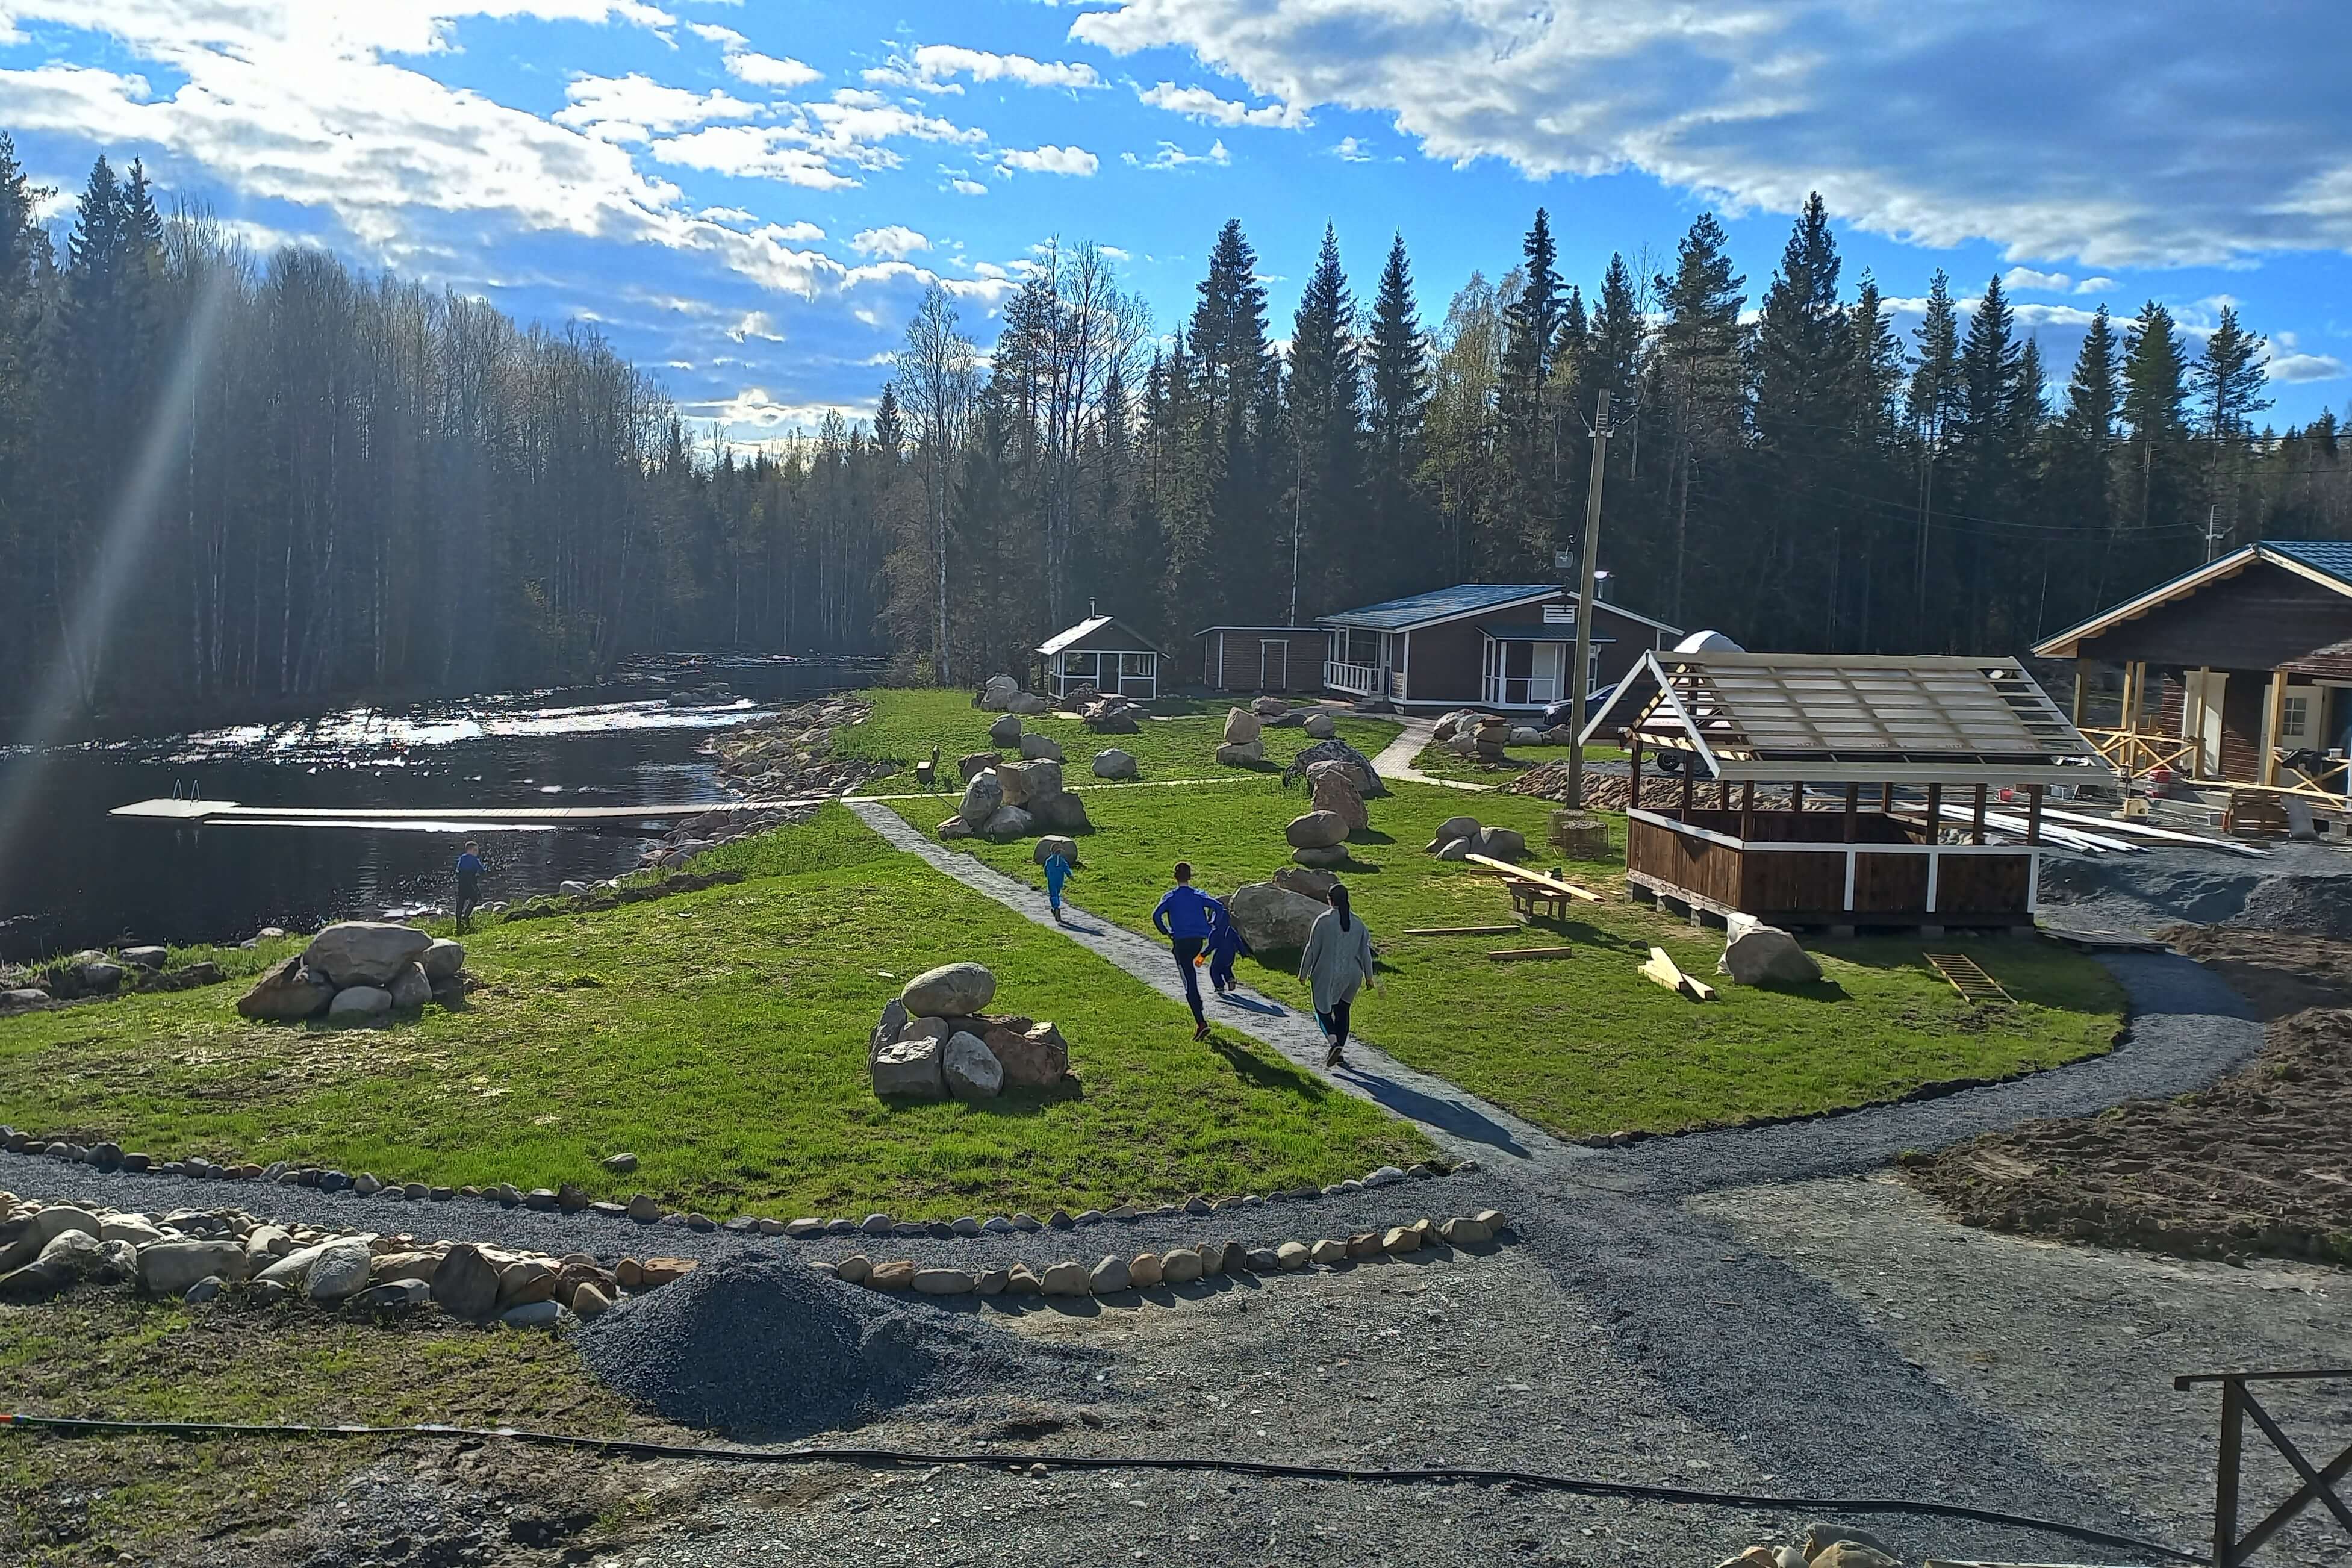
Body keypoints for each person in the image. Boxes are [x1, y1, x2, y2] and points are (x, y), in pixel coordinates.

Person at [1298, 882, 1375, 1068]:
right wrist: (1369, 976)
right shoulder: (1358, 923)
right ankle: (1339, 1052)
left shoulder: (1323, 921)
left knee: (1322, 1011)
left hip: (1327, 973)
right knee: (1343, 1011)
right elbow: (1365, 952)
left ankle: (1334, 1044)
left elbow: (1312, 948)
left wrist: (1303, 973)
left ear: (1329, 900)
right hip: (1353, 975)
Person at [1151, 862, 1222, 1041]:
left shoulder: (1170, 897)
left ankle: (1201, 1022)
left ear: (1175, 877)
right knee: (1191, 974)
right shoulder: (1199, 895)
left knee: (1189, 980)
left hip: (1181, 942)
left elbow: (1156, 916)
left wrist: (1166, 931)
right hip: (1197, 941)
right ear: (1190, 877)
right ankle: (1199, 1007)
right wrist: (1212, 924)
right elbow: (1218, 907)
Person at [1204, 897, 1252, 996]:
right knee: (1227, 968)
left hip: (1220, 954)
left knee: (1214, 970)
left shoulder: (1215, 932)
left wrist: (1203, 955)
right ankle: (1230, 979)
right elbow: (1238, 942)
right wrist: (1243, 953)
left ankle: (1219, 986)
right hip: (1231, 954)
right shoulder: (1231, 930)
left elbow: (1211, 946)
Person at [454, 841, 486, 934]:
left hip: (462, 884)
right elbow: (482, 871)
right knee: (475, 899)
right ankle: (466, 916)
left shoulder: (462, 859)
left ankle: (459, 922)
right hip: (471, 883)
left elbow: (458, 870)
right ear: (471, 850)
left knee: (460, 903)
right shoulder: (474, 860)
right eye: (476, 850)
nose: (477, 852)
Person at [1042, 845, 1076, 924]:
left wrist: (1046, 874)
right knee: (1057, 893)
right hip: (1060, 880)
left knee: (1053, 894)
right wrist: (1070, 875)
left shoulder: (1049, 860)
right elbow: (1067, 868)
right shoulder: (1062, 860)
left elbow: (1045, 869)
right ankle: (1055, 908)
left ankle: (1056, 907)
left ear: (1051, 852)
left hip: (1052, 880)